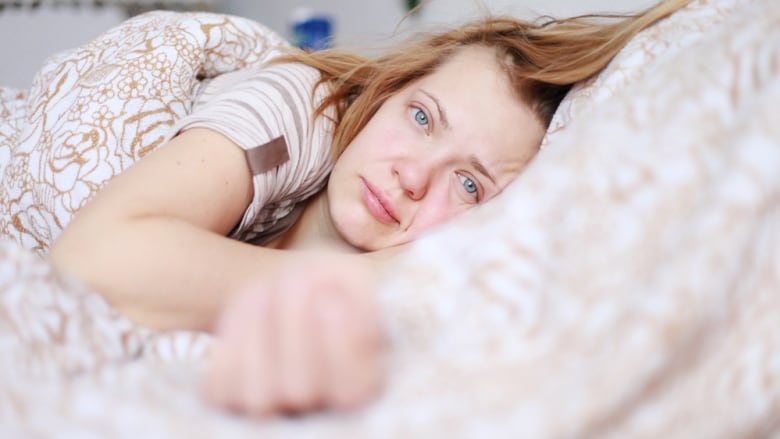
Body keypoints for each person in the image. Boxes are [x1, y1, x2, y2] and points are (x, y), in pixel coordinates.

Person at [46, 0, 688, 418]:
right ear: (387, 92)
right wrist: (376, 276)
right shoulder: (303, 108)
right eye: (421, 117)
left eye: (469, 186)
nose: (413, 175)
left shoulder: (437, 316)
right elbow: (88, 263)